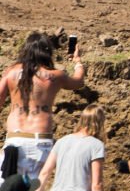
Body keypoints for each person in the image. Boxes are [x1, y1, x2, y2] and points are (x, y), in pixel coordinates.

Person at [0, 33, 86, 179]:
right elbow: (79, 81)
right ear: (47, 52)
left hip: (15, 139)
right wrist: (77, 61)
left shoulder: (11, 72)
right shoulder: (55, 76)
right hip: (40, 141)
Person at [30, 105, 106, 191]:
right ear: (99, 123)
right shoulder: (96, 145)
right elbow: (96, 184)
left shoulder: (62, 141)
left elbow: (44, 173)